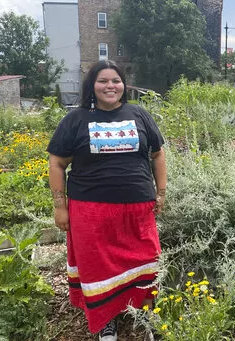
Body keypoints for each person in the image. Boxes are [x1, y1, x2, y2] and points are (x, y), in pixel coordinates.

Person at [47, 60, 166, 341]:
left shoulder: (139, 114)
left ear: (123, 85)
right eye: (103, 81)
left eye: (116, 80)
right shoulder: (76, 120)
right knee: (99, 268)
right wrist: (59, 206)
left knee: (146, 261)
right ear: (92, 85)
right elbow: (56, 163)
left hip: (137, 209)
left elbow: (158, 154)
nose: (110, 86)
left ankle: (146, 313)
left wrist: (160, 192)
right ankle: (105, 321)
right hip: (91, 212)